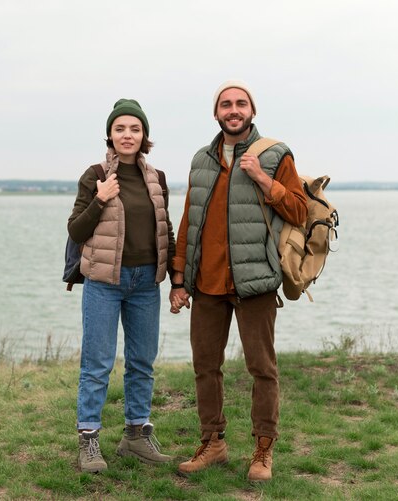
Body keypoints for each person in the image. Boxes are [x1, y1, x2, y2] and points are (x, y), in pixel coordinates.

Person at [169, 80, 308, 482]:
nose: (234, 110)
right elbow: (188, 223)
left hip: (256, 282)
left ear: (252, 110)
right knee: (204, 367)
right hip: (208, 282)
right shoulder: (201, 160)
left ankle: (263, 450)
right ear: (216, 114)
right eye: (226, 104)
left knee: (262, 368)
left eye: (241, 104)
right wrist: (179, 279)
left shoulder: (276, 155)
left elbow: (298, 210)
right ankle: (213, 442)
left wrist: (264, 180)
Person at [67, 99, 176, 473]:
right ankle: (89, 440)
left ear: (144, 135)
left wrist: (177, 281)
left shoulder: (157, 178)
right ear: (110, 135)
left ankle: (136, 436)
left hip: (147, 282)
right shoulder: (95, 174)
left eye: (134, 129)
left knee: (142, 362)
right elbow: (76, 230)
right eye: (120, 129)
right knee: (97, 364)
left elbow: (167, 232)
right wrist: (100, 198)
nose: (127, 135)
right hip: (104, 282)